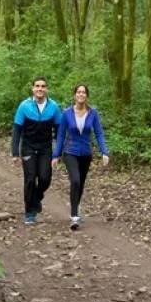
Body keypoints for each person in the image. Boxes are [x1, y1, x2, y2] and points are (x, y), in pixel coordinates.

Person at [52, 83, 109, 230]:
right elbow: (60, 134)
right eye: (78, 92)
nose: (81, 94)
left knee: (81, 184)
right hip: (70, 152)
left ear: (87, 96)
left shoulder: (93, 113)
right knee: (75, 181)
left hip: (86, 154)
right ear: (74, 95)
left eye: (83, 92)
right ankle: (74, 216)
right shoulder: (67, 113)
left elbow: (99, 133)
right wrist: (56, 155)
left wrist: (104, 152)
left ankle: (76, 209)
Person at [11, 77, 62, 225]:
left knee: (45, 178)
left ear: (46, 89)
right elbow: (17, 131)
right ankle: (30, 212)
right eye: (37, 86)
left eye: (43, 86)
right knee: (30, 179)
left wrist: (58, 152)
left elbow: (59, 131)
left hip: (45, 148)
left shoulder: (53, 107)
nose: (40, 89)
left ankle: (37, 198)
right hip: (28, 147)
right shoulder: (24, 106)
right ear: (32, 88)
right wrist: (15, 152)